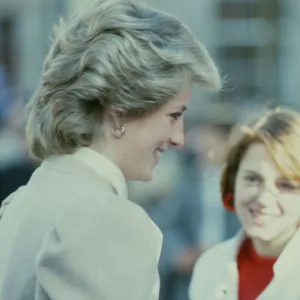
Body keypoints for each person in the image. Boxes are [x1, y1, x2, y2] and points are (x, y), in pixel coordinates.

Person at [0, 0, 221, 299]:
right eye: (173, 116)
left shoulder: (24, 200)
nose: (179, 138)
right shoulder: (102, 217)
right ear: (120, 113)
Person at [189, 107, 300, 300]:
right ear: (233, 180)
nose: (264, 199)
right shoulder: (210, 265)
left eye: (285, 185)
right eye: (253, 179)